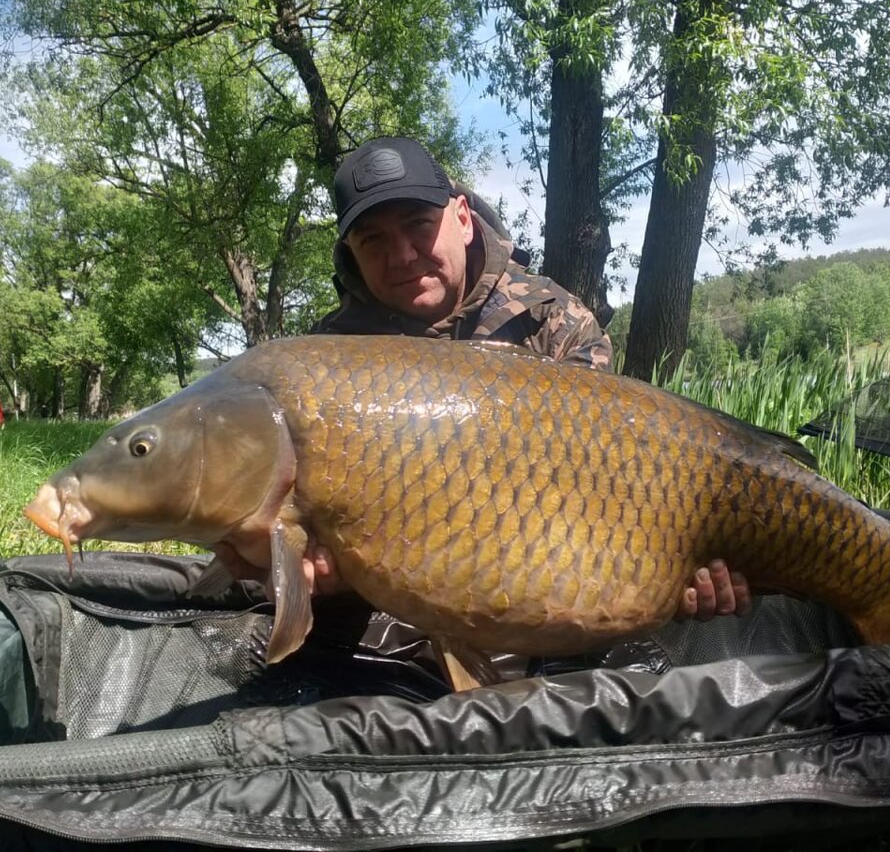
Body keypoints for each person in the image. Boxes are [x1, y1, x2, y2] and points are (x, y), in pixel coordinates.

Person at [215, 136, 750, 621]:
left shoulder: (553, 321)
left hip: (555, 589)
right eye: (372, 239)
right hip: (398, 623)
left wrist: (673, 577)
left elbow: (613, 493)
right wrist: (311, 576)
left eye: (418, 225)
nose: (400, 255)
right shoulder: (324, 366)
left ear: (463, 217)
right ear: (349, 251)